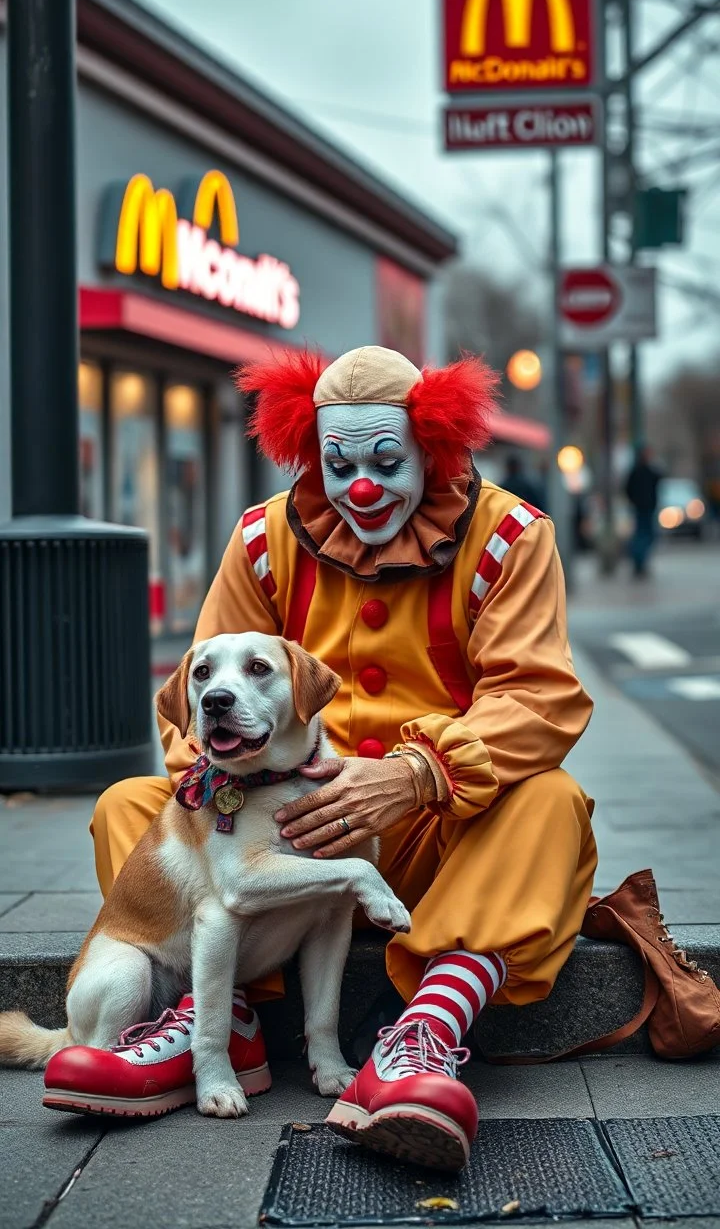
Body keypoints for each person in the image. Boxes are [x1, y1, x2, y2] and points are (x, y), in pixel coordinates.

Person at [59, 346, 597, 1171]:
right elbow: (202, 692)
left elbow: (539, 699)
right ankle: (226, 1020)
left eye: (386, 462)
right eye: (339, 464)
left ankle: (423, 1033)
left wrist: (413, 775)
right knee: (134, 807)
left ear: (432, 449)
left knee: (550, 804)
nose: (361, 488)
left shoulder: (510, 540)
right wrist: (230, 783)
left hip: (434, 842)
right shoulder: (264, 539)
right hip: (276, 838)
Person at [625, 446, 662, 577]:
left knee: (645, 536)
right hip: (643, 509)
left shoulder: (644, 471)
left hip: (646, 508)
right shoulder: (639, 471)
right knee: (644, 536)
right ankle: (639, 562)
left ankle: (640, 563)